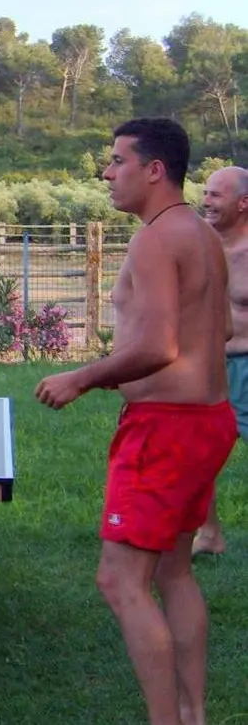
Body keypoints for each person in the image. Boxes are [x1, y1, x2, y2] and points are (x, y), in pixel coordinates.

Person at [35, 118, 238, 725]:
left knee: (121, 581)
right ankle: (193, 712)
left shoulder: (155, 238)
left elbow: (157, 346)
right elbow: (222, 331)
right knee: (174, 571)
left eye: (117, 160)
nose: (107, 172)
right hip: (208, 420)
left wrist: (82, 376)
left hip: (165, 429)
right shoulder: (201, 235)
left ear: (154, 170)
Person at [196, 165, 248, 555]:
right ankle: (210, 535)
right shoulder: (197, 244)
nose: (206, 201)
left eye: (216, 195)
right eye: (206, 193)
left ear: (243, 203)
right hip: (205, 367)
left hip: (246, 365)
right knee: (196, 456)